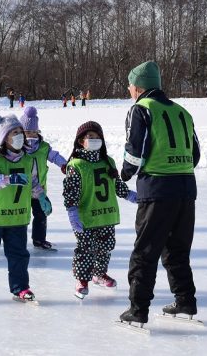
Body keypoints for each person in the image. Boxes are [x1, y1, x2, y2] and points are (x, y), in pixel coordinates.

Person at [119, 60, 201, 325]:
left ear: (139, 87)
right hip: (186, 189)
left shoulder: (141, 109)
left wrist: (125, 173)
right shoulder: (182, 112)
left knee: (145, 250)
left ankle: (137, 309)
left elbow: (135, 149)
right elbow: (195, 153)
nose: (129, 89)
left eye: (130, 85)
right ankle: (186, 301)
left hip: (157, 189)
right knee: (177, 250)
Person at [0, 114, 52, 302]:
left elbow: (33, 182)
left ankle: (20, 288)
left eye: (21, 132)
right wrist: (7, 179)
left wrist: (41, 196)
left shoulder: (28, 160)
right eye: (15, 133)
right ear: (5, 138)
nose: (20, 136)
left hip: (18, 219)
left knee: (19, 256)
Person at [65, 121, 137, 298]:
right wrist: (72, 213)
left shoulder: (108, 162)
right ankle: (82, 280)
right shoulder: (76, 165)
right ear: (81, 141)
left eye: (98, 137)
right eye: (90, 137)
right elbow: (71, 192)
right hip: (85, 218)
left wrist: (132, 196)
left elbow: (117, 185)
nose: (95, 140)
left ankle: (99, 274)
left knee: (105, 247)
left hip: (106, 215)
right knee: (86, 248)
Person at [19, 106, 67, 250]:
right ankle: (17, 241)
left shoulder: (44, 147)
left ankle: (39, 240)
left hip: (39, 191)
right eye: (27, 132)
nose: (31, 135)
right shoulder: (18, 148)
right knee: (21, 217)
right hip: (22, 191)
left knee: (41, 216)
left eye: (33, 131)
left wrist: (64, 164)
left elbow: (55, 156)